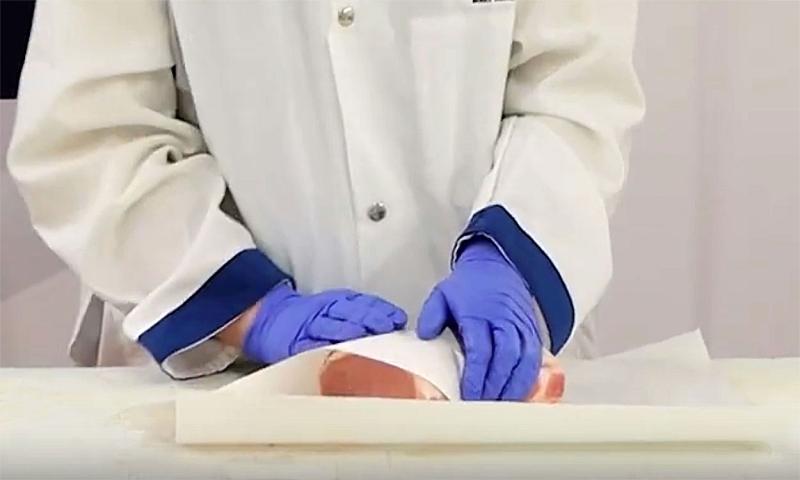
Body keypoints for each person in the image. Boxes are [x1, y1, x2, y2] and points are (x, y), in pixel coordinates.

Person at [8, 0, 644, 401]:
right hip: (208, 371)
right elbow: (91, 129)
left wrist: (510, 265)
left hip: (483, 375)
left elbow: (574, 95)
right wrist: (247, 312)